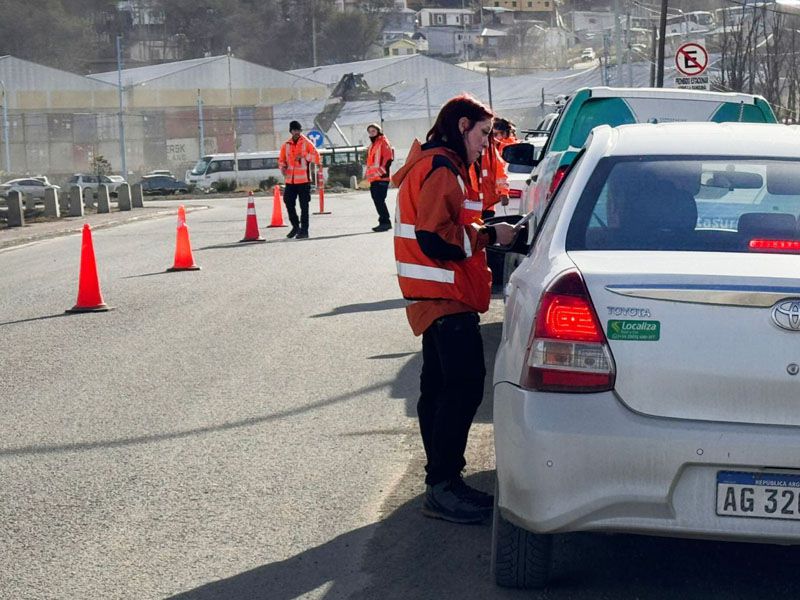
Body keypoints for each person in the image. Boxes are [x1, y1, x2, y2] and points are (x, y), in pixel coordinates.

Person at [392, 94, 517, 525]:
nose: (488, 143)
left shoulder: (435, 163)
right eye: (484, 133)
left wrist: (484, 230)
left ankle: (442, 483)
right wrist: (487, 237)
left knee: (440, 390)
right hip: (445, 297)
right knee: (462, 390)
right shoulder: (443, 168)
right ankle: (444, 485)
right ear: (463, 126)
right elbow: (435, 238)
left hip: (436, 297)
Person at [278, 120, 321, 239]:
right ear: (291, 131)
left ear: (301, 131)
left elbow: (317, 158)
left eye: (298, 130)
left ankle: (304, 230)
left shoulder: (307, 143)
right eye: (294, 130)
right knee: (288, 202)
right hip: (290, 181)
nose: (296, 132)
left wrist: (304, 155)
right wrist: (282, 167)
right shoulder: (286, 144)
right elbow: (281, 160)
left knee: (304, 207)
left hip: (304, 181)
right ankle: (296, 226)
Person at [469, 122, 509, 221]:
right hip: (470, 205)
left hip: (487, 205)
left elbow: (500, 173)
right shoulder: (461, 151)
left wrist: (503, 192)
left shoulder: (490, 152)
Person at [365, 123, 395, 232]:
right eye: (370, 131)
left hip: (382, 178)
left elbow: (388, 159)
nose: (371, 133)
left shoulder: (383, 142)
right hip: (374, 178)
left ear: (378, 131)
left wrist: (382, 173)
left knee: (379, 200)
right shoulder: (373, 145)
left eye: (373, 131)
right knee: (377, 200)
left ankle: (385, 222)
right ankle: (384, 222)